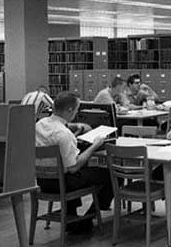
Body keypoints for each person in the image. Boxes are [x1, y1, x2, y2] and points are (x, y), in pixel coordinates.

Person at [35, 92, 113, 233]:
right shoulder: (64, 134)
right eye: (77, 109)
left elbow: (58, 137)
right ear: (70, 110)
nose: (77, 113)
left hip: (42, 181)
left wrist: (75, 129)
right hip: (63, 183)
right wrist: (94, 145)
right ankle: (87, 218)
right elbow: (73, 167)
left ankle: (71, 215)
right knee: (109, 174)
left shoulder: (39, 125)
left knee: (80, 169)